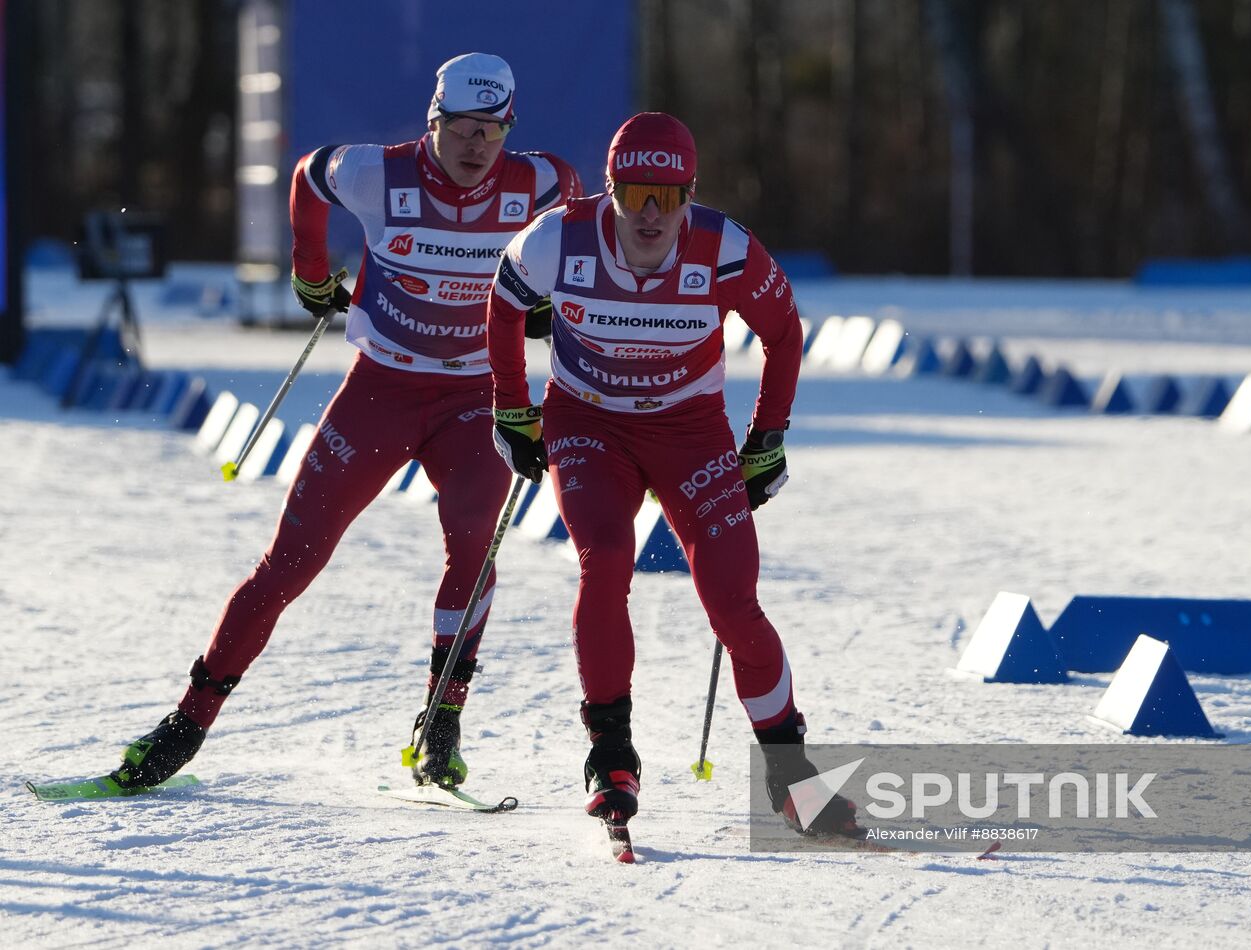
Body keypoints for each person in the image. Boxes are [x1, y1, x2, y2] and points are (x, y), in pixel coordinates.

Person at [109, 53, 582, 791]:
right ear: (434, 123)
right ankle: (186, 724)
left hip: (475, 401)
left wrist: (550, 300)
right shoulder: (378, 174)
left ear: (508, 130)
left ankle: (442, 725)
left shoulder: (541, 183)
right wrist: (308, 269)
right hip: (381, 390)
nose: (475, 146)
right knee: (290, 563)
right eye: (460, 128)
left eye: (491, 130)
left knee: (472, 553)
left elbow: (575, 220)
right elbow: (305, 176)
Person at [486, 112, 857, 836]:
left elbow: (783, 334)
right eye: (633, 194)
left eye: (667, 195)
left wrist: (767, 438)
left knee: (733, 602)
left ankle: (792, 778)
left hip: (690, 433)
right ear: (610, 190)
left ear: (691, 193)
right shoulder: (557, 238)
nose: (650, 215)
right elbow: (502, 306)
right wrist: (512, 410)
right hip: (589, 425)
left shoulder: (725, 248)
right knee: (606, 561)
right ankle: (611, 756)